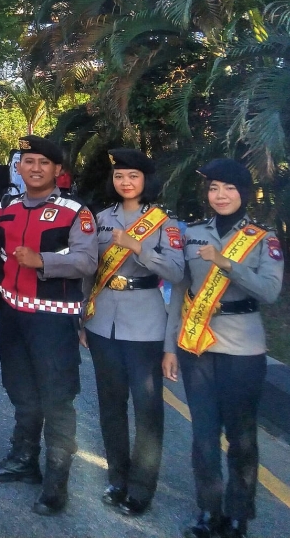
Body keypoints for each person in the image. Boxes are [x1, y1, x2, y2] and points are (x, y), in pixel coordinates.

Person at [162, 159, 283, 538]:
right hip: (196, 345)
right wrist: (169, 347)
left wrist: (226, 263)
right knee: (203, 436)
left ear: (243, 193)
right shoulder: (194, 232)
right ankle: (209, 512)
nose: (220, 195)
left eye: (229, 188)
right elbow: (180, 290)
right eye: (214, 188)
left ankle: (238, 516)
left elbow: (270, 291)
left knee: (242, 438)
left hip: (242, 349)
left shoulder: (264, 238)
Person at [0, 135, 98, 515]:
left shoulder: (75, 211)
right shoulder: (6, 207)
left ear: (57, 170)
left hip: (53, 318)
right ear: (19, 167)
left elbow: (86, 261)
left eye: (43, 163)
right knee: (22, 394)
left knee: (57, 400)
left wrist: (43, 261)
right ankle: (23, 461)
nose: (35, 168)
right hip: (13, 316)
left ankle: (56, 481)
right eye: (28, 161)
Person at [81, 149, 185, 516]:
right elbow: (88, 270)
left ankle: (141, 489)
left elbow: (175, 273)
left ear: (146, 181)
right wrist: (83, 317)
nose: (125, 183)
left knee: (147, 410)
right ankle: (118, 478)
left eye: (133, 176)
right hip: (101, 321)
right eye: (120, 176)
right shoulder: (100, 218)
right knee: (111, 405)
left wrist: (139, 247)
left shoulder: (164, 223)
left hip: (146, 323)